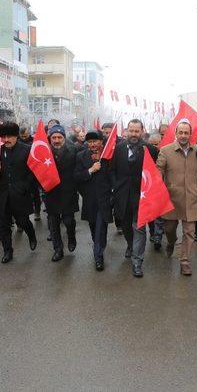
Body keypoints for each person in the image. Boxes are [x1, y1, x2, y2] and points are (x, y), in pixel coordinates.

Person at [157, 121, 197, 275]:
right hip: (171, 199)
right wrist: (160, 188)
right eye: (181, 132)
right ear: (176, 133)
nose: (184, 136)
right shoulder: (165, 151)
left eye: (186, 133)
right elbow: (158, 170)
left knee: (189, 232)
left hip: (191, 199)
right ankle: (171, 243)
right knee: (169, 230)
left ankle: (185, 261)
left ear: (190, 134)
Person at [109, 119, 159, 277]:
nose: (134, 134)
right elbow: (112, 170)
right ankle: (130, 245)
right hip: (122, 196)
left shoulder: (150, 149)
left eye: (137, 131)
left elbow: (157, 171)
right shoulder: (118, 148)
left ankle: (137, 262)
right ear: (126, 131)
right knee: (125, 226)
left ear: (142, 131)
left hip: (141, 196)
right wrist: (115, 186)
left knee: (139, 229)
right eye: (131, 131)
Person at [0, 122, 37, 263]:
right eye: (3, 137)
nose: (6, 140)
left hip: (20, 194)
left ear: (16, 136)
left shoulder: (27, 150)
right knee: (4, 225)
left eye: (10, 136)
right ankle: (7, 251)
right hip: (3, 194)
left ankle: (32, 235)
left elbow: (33, 172)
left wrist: (24, 186)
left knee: (23, 221)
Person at [74, 130, 113, 271]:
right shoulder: (80, 156)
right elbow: (77, 176)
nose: (92, 144)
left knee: (101, 227)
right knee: (93, 226)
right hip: (89, 199)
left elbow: (113, 176)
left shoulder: (108, 155)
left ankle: (98, 256)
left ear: (101, 142)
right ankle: (98, 246)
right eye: (89, 142)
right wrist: (90, 170)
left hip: (105, 198)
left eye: (95, 141)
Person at [45, 124, 80, 262]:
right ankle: (58, 249)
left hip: (68, 192)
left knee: (68, 221)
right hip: (51, 192)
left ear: (64, 138)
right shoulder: (45, 151)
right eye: (54, 137)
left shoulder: (73, 150)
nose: (57, 140)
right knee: (53, 223)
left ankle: (71, 237)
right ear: (50, 138)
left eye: (60, 137)